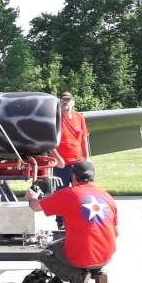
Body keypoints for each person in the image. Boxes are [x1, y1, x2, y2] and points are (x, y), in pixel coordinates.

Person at [25, 161, 118, 283]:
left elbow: (35, 206)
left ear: (73, 177)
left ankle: (77, 276)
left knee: (47, 253)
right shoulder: (107, 196)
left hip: (83, 253)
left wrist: (31, 197)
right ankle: (99, 272)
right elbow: (116, 233)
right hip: (106, 254)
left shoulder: (69, 194)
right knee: (87, 241)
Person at [52, 91, 90, 229]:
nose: (65, 102)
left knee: (81, 193)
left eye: (68, 100)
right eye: (63, 99)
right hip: (61, 164)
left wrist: (87, 157)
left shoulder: (80, 117)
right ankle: (61, 222)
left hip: (78, 162)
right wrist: (57, 158)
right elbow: (49, 141)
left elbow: (84, 137)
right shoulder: (54, 118)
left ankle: (80, 220)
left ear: (73, 102)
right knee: (61, 193)